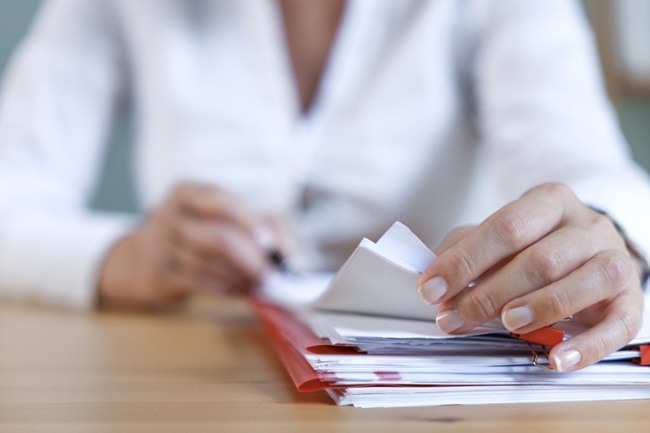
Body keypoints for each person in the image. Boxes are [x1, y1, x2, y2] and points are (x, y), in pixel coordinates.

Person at [0, 0, 649, 373]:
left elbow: (587, 165)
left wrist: (602, 230)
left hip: (413, 387)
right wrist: (127, 257)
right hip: (186, 372)